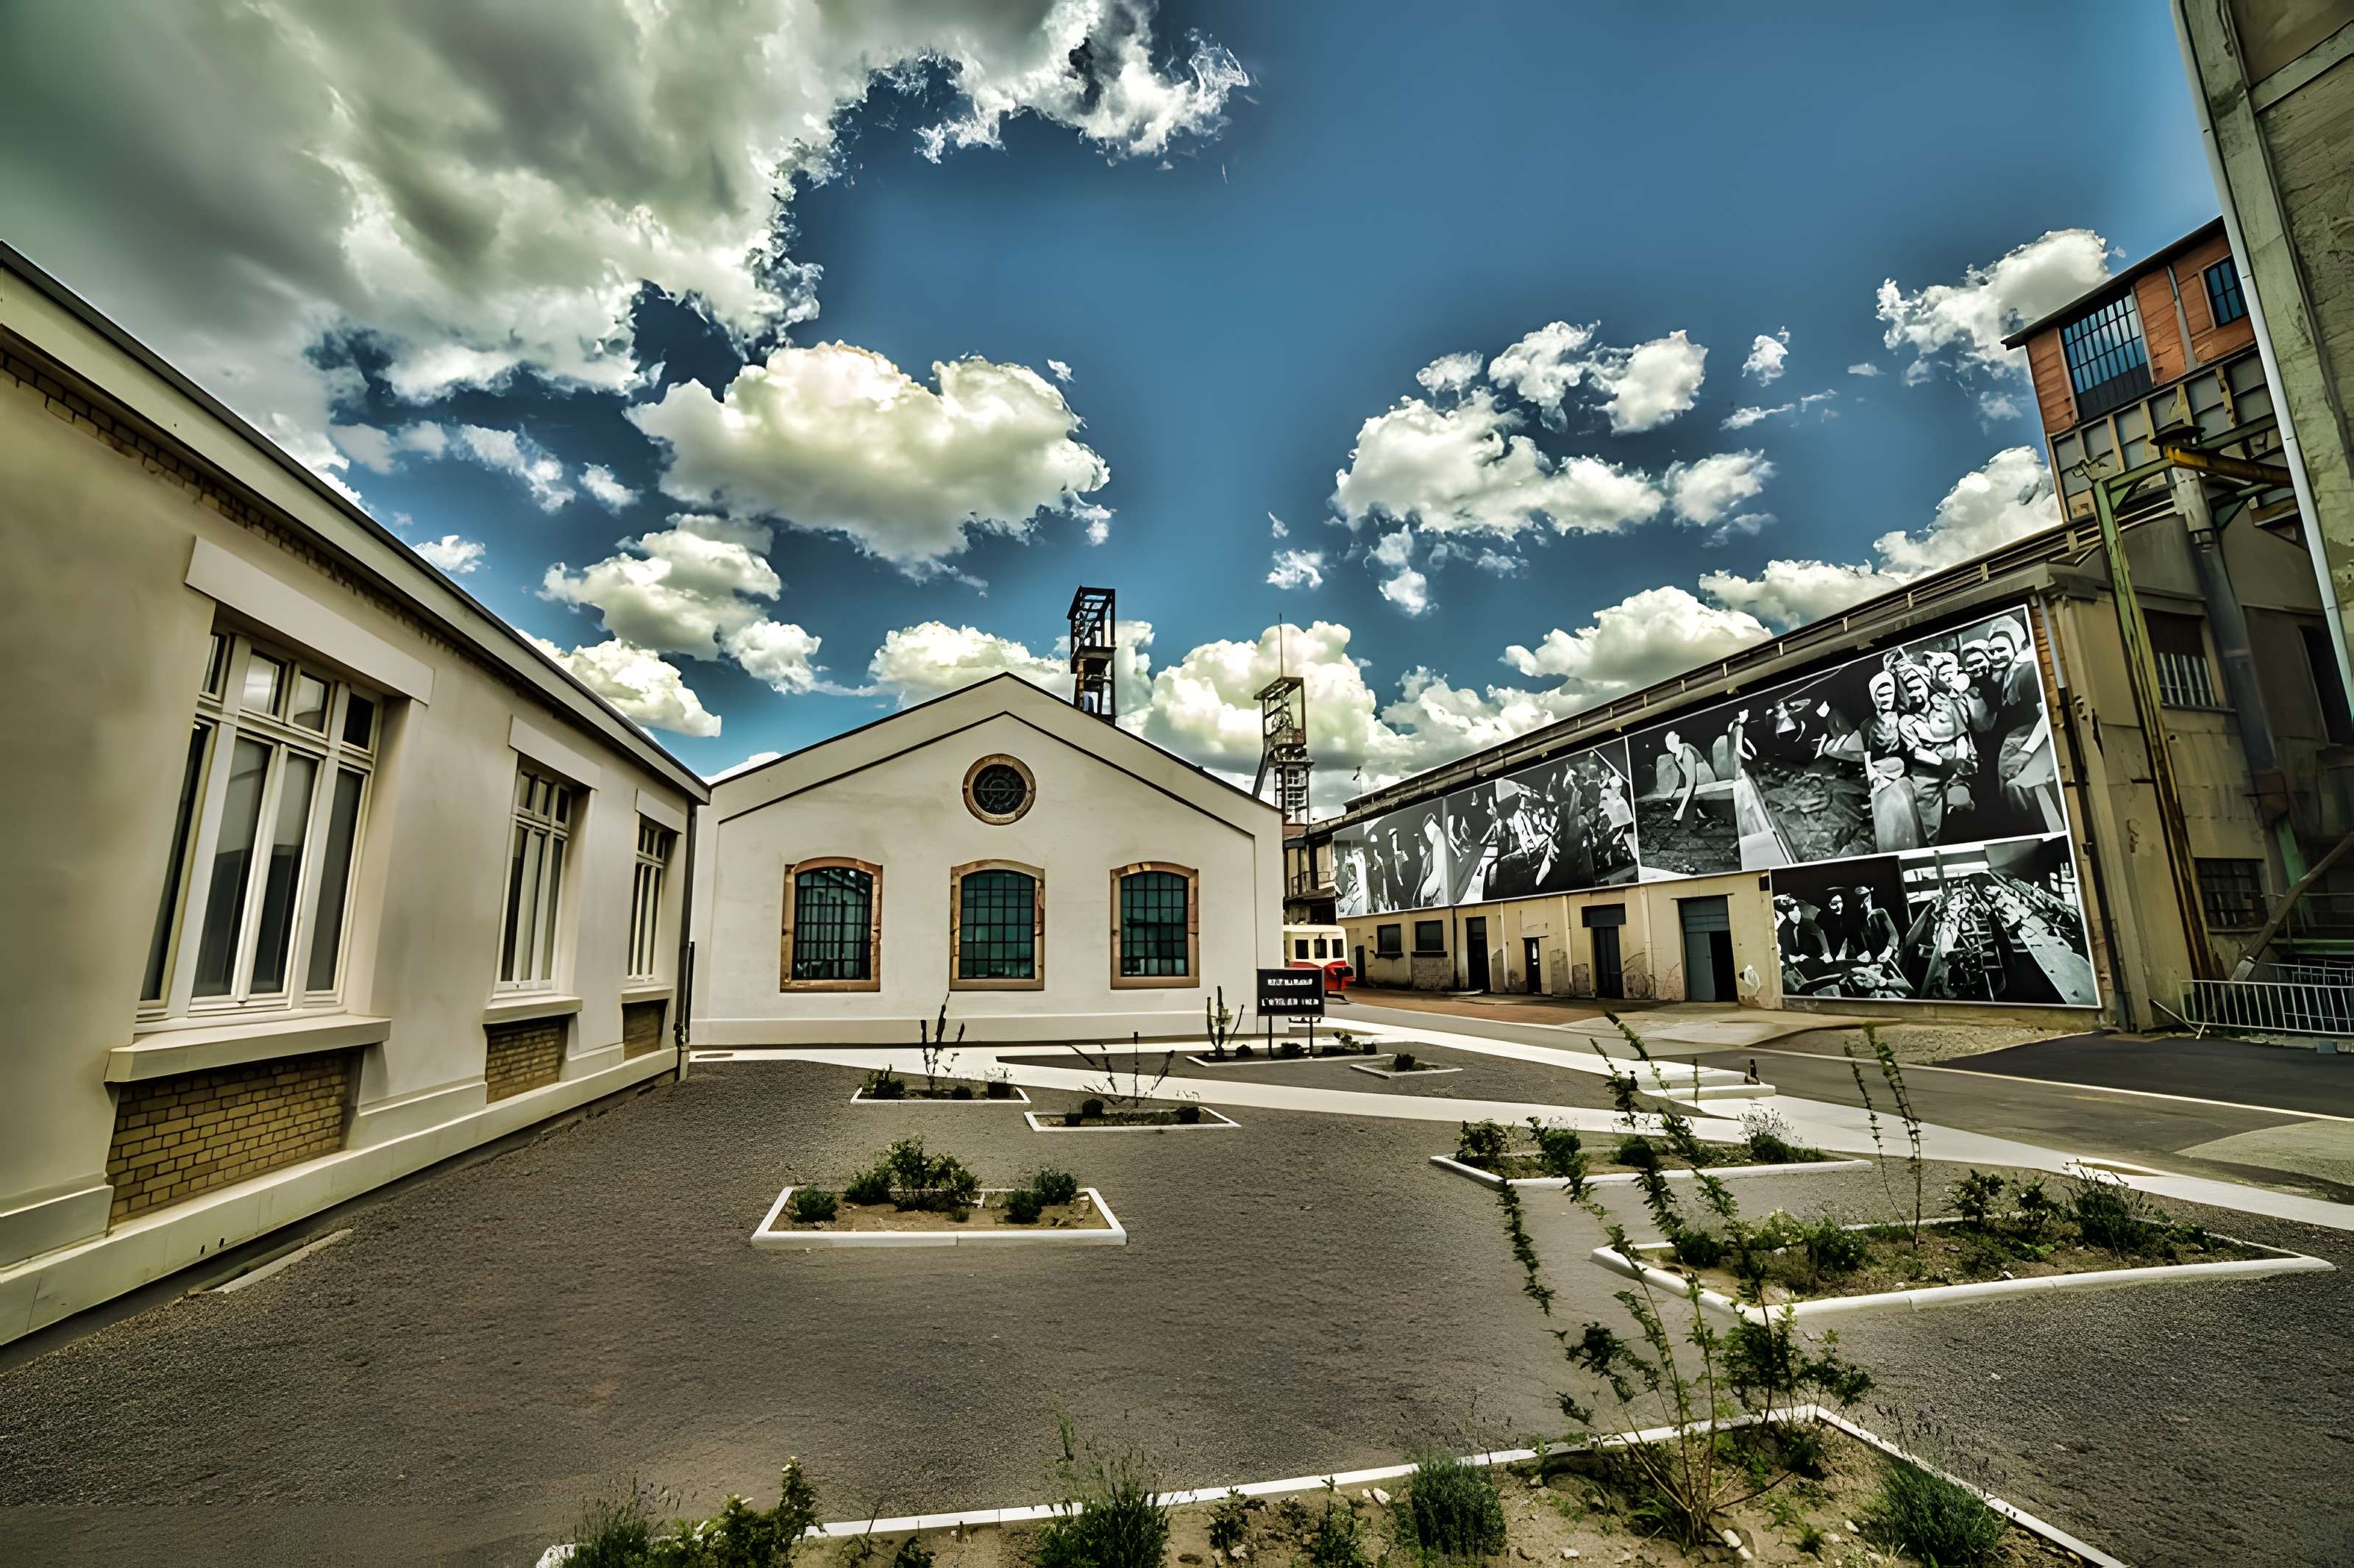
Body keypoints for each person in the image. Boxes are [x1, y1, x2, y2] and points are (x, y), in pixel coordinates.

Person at [1860, 670, 1924, 851]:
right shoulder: (1866, 725)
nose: (1885, 698)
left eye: (1889, 693)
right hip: (1879, 778)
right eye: (1881, 694)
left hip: (1903, 776)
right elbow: (1866, 754)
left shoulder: (1904, 717)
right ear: (1874, 697)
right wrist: (1872, 775)